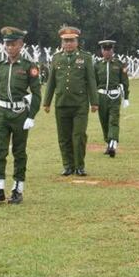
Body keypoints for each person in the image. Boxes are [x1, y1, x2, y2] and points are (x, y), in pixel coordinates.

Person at [0, 26, 42, 205]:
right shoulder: (0, 66)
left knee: (19, 152)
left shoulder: (28, 66)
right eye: (7, 44)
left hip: (19, 114)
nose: (9, 48)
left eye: (13, 44)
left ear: (21, 45)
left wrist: (31, 116)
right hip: (2, 113)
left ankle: (17, 189)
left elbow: (36, 93)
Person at [43, 26, 98, 176]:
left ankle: (79, 166)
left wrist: (94, 102)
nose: (68, 44)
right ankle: (68, 165)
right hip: (61, 103)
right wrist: (46, 102)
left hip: (80, 104)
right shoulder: (56, 58)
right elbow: (51, 82)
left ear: (77, 42)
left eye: (71, 41)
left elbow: (91, 80)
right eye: (65, 41)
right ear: (62, 42)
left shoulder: (85, 58)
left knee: (79, 136)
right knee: (64, 137)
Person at [95, 40, 130, 157]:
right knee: (104, 121)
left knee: (113, 120)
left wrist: (126, 98)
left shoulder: (119, 64)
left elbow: (125, 81)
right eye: (105, 50)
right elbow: (94, 83)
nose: (107, 52)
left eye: (109, 50)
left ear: (112, 50)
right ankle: (109, 142)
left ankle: (113, 144)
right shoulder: (97, 65)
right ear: (101, 51)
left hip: (114, 97)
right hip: (101, 97)